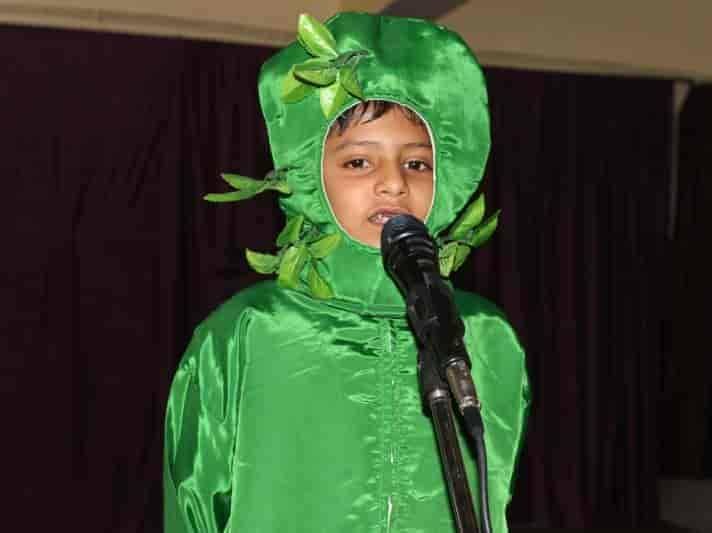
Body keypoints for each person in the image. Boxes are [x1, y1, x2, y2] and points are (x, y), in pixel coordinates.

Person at [163, 12, 530, 532]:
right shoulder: (249, 333)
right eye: (359, 162)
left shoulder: (487, 340)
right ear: (312, 173)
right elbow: (192, 505)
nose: (393, 184)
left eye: (417, 164)